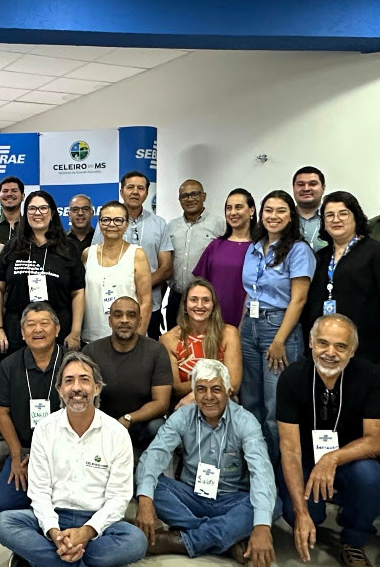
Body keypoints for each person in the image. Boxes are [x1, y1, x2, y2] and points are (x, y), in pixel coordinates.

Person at [0, 351, 145, 567]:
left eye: (84, 380)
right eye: (69, 381)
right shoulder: (45, 430)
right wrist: (53, 532)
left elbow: (119, 498)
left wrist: (86, 532)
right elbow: (39, 492)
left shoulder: (116, 434)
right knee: (3, 523)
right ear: (60, 391)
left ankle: (35, 561)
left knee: (136, 541)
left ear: (97, 388)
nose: (77, 388)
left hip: (96, 522)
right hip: (54, 516)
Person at [276, 313, 380, 567]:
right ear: (311, 343)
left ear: (353, 350)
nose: (330, 353)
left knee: (370, 477)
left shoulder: (369, 376)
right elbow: (290, 450)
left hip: (349, 457)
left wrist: (332, 458)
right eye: (323, 343)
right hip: (305, 459)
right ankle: (309, 517)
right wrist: (301, 513)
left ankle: (354, 542)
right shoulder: (292, 377)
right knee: (303, 513)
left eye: (340, 346)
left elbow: (376, 441)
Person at [133, 360, 276, 567]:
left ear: (228, 391)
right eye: (201, 389)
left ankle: (182, 542)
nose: (208, 397)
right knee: (147, 485)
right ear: (194, 393)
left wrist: (262, 527)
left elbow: (261, 473)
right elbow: (155, 455)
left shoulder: (246, 422)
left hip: (231, 500)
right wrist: (145, 501)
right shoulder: (183, 416)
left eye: (216, 389)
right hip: (191, 495)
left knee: (272, 503)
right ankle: (226, 539)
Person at [306, 191, 380, 374]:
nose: (336, 219)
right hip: (326, 355)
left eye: (343, 214)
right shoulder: (320, 258)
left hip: (368, 354)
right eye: (329, 215)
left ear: (356, 217)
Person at [238, 189, 311, 441]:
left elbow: (299, 299)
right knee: (250, 401)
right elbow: (250, 291)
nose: (273, 216)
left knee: (275, 404)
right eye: (268, 210)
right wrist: (241, 328)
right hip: (250, 326)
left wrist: (279, 340)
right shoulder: (254, 247)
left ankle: (278, 464)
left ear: (291, 216)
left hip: (279, 327)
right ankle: (254, 458)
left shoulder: (298, 250)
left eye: (281, 211)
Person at [0, 189, 85, 355]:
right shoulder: (12, 246)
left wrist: (75, 332)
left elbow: (78, 292)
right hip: (16, 329)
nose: (37, 213)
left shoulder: (68, 248)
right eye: (32, 209)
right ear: (26, 213)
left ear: (52, 213)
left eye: (43, 208)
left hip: (58, 329)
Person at [0, 302, 64, 512]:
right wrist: (16, 455)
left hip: (63, 449)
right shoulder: (9, 365)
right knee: (7, 505)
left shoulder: (72, 363)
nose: (38, 330)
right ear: (22, 333)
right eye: (31, 325)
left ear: (57, 329)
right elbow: (2, 412)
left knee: (65, 503)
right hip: (24, 448)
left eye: (44, 323)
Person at [85, 294, 172, 451]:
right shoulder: (91, 351)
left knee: (158, 427)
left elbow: (161, 403)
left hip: (139, 423)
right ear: (110, 321)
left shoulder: (156, 351)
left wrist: (128, 419)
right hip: (101, 424)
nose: (124, 320)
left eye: (131, 315)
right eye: (118, 315)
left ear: (140, 321)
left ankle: (149, 465)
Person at [94, 169, 172, 335]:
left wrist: (140, 287)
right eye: (130, 187)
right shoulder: (107, 223)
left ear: (147, 193)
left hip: (151, 305)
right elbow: (96, 261)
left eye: (140, 188)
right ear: (122, 191)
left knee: (145, 348)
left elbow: (166, 268)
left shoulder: (159, 224)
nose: (135, 192)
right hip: (114, 308)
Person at [160, 277, 242, 407]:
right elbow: (176, 389)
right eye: (194, 300)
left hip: (223, 402)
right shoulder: (168, 339)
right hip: (185, 405)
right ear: (185, 305)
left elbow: (234, 384)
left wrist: (195, 393)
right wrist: (216, 382)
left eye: (206, 300)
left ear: (213, 306)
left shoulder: (229, 333)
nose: (199, 305)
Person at [81, 200, 152, 341]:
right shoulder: (87, 254)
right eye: (106, 220)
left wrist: (138, 337)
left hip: (127, 337)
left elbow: (146, 301)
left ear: (126, 224)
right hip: (91, 336)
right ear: (99, 223)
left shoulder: (137, 254)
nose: (112, 224)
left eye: (118, 220)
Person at [193, 188, 258, 328]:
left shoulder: (260, 247)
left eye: (238, 207)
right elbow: (200, 284)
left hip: (249, 323)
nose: (233, 212)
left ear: (251, 210)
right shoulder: (215, 245)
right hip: (213, 321)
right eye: (229, 208)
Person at [166, 178, 226, 328]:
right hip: (177, 298)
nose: (190, 199)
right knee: (174, 339)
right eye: (185, 196)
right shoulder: (171, 226)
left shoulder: (219, 225)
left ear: (203, 196)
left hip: (205, 300)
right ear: (179, 200)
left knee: (206, 339)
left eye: (194, 194)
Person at [292, 166, 327, 248]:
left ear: (323, 188)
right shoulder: (283, 218)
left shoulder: (333, 218)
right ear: (293, 188)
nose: (306, 189)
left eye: (313, 184)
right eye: (300, 184)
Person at [0, 176, 26, 246]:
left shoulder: (30, 226)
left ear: (22, 196)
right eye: (5, 191)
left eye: (14, 191)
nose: (9, 194)